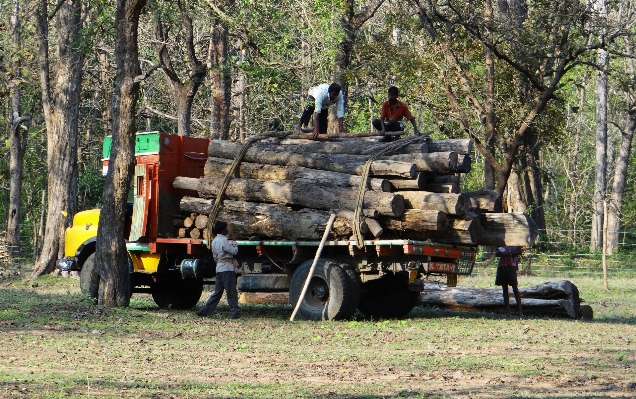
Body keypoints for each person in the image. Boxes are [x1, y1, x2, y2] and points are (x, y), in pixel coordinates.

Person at [197, 221, 241, 319]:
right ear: (222, 230)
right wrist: (234, 241)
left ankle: (205, 310)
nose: (227, 230)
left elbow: (215, 257)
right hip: (227, 269)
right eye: (226, 228)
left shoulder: (214, 241)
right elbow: (234, 251)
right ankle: (235, 312)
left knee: (217, 292)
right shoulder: (224, 240)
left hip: (219, 268)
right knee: (231, 292)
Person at [495, 246, 524, 319]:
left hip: (511, 266)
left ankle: (520, 312)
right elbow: (496, 253)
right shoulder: (501, 242)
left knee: (515, 288)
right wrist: (501, 253)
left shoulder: (516, 241)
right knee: (505, 290)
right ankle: (508, 312)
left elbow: (519, 252)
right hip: (502, 266)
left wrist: (509, 253)